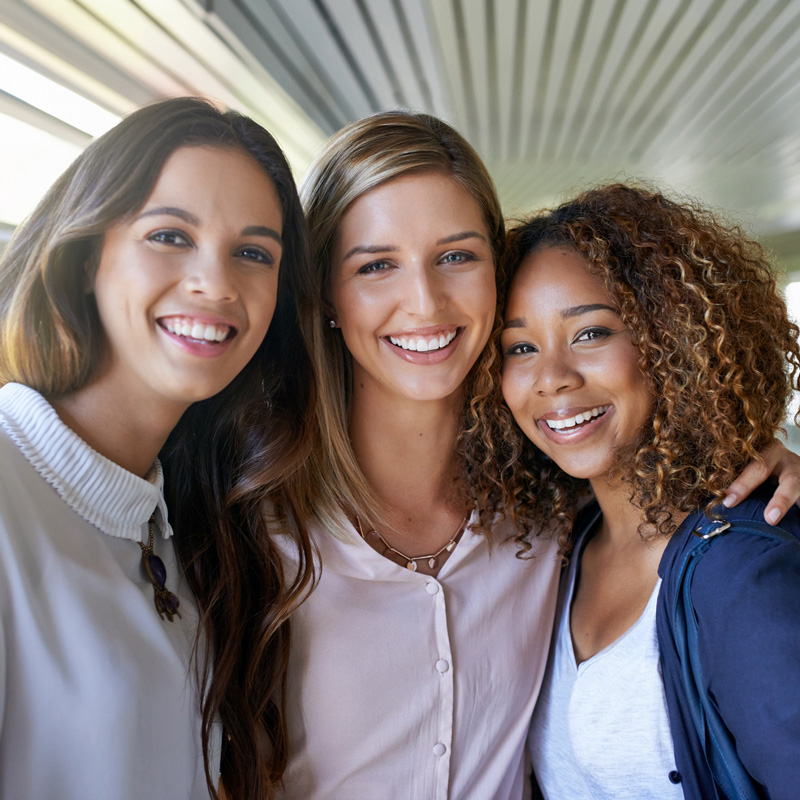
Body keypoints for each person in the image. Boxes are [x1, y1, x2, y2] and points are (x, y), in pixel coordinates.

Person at [275, 114, 800, 799]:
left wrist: (762, 454)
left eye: (457, 256)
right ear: (325, 296)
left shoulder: (562, 515)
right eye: (376, 265)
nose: (425, 300)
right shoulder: (262, 518)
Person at [0, 97, 316, 800]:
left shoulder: (183, 521)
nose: (217, 284)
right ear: (86, 256)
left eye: (253, 253)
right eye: (170, 236)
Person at [497, 182, 800, 799]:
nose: (552, 378)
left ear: (672, 340)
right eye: (520, 347)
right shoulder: (557, 544)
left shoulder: (741, 571)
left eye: (591, 333)